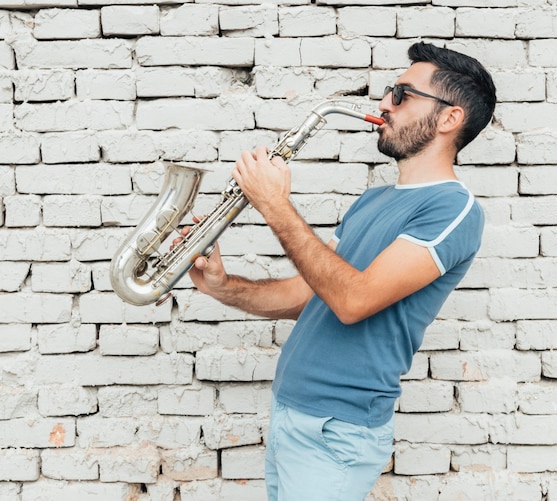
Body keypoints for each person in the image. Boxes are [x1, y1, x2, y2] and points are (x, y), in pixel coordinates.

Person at [186, 42, 496, 500]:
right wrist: (223, 287)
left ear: (449, 118)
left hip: (337, 429)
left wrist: (273, 204)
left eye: (401, 95)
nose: (383, 104)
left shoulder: (453, 210)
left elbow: (354, 301)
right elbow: (307, 294)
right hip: (293, 412)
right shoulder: (372, 200)